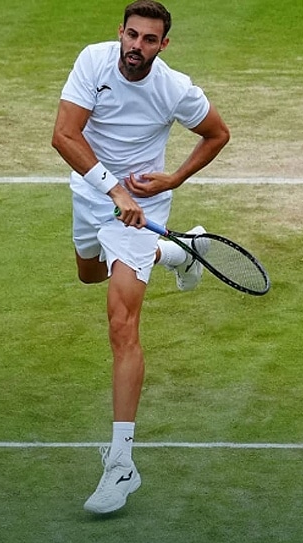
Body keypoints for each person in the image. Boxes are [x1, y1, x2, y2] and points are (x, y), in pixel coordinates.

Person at [51, 0, 230, 514]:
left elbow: (217, 133)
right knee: (88, 274)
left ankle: (122, 464)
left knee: (121, 324)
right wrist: (112, 192)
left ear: (163, 45)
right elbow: (65, 135)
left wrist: (172, 178)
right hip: (94, 195)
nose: (137, 47)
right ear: (121, 33)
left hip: (142, 206)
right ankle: (178, 250)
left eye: (149, 40)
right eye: (132, 36)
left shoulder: (174, 88)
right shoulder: (93, 61)